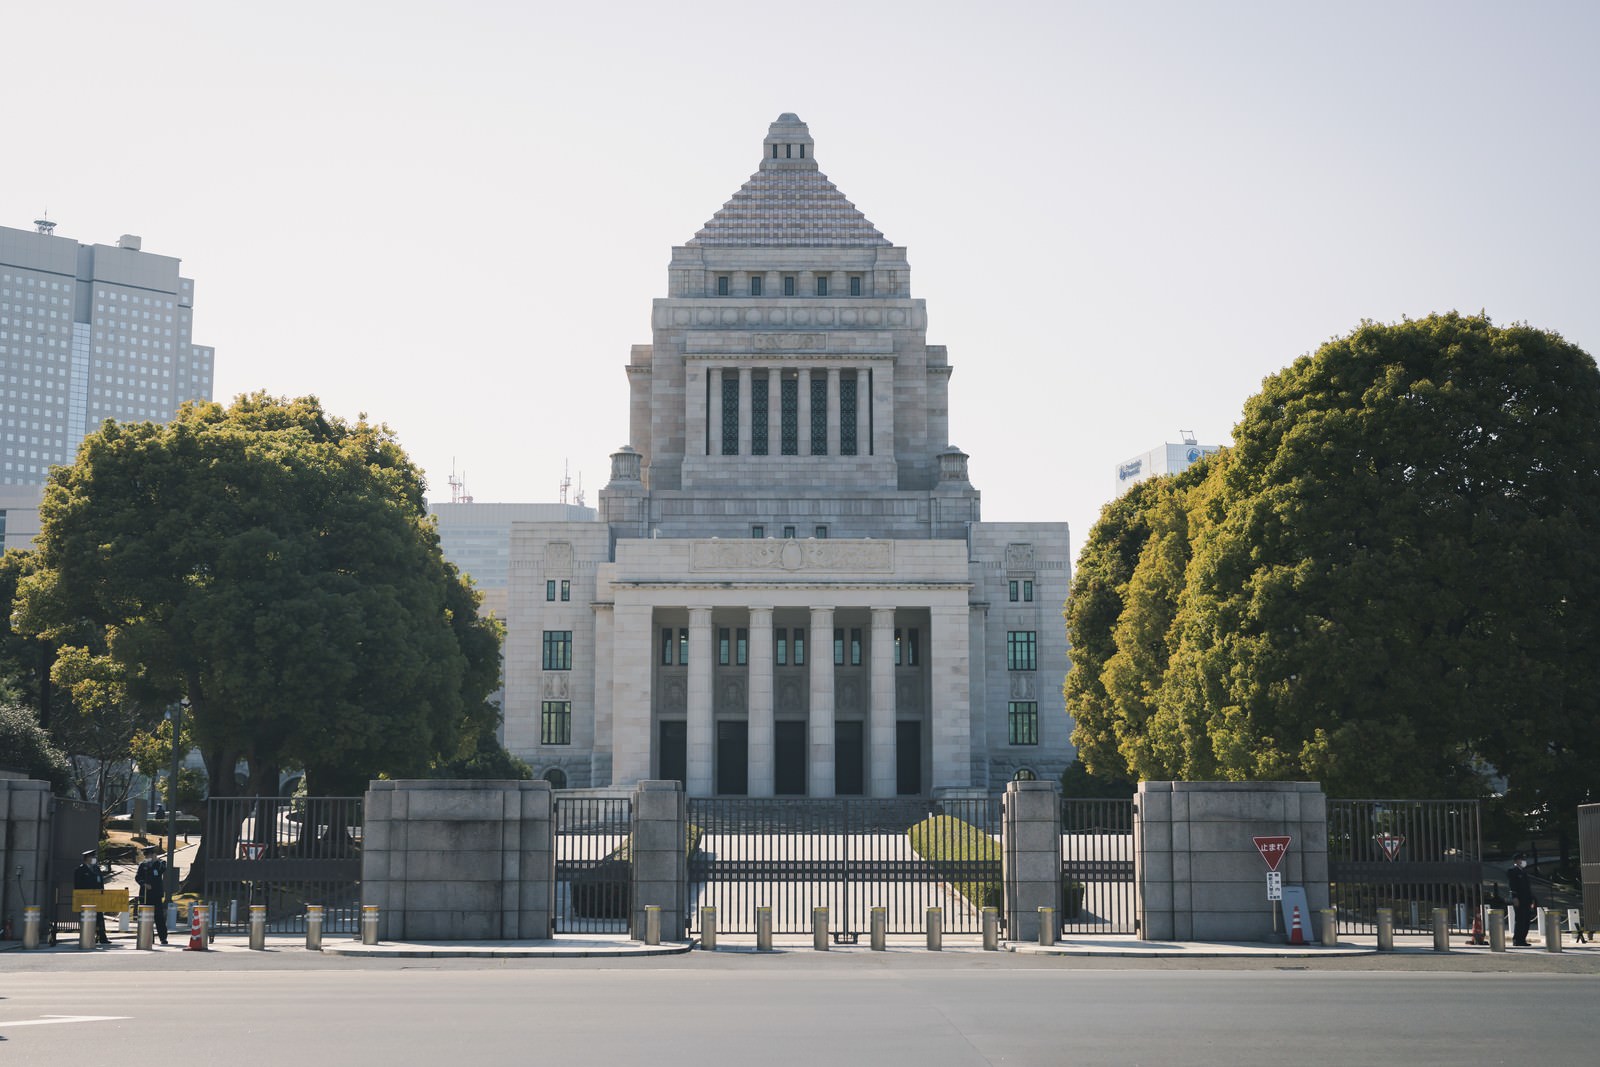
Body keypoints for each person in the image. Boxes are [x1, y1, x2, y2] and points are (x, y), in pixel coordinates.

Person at [73, 848, 111, 945]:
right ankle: (87, 936)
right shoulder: (80, 870)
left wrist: (102, 893)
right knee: (87, 918)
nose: (94, 859)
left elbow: (101, 882)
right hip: (86, 899)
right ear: (87, 858)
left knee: (99, 917)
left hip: (97, 898)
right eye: (93, 857)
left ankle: (102, 937)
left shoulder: (96, 869)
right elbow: (77, 886)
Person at [135, 844, 170, 945]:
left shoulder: (160, 863)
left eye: (149, 855)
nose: (147, 858)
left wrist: (156, 860)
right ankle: (149, 937)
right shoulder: (143, 865)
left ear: (154, 855)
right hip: (145, 895)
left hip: (156, 895)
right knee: (146, 917)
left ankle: (163, 937)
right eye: (146, 856)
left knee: (158, 917)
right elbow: (137, 877)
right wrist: (144, 884)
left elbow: (162, 869)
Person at [1507, 852, 1538, 946]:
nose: (1524, 861)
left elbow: (1527, 887)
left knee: (1526, 920)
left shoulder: (1524, 872)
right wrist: (1514, 897)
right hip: (1519, 899)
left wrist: (1532, 899)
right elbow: (1512, 886)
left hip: (1526, 899)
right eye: (1522, 859)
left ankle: (1523, 939)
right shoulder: (1512, 871)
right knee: (1520, 920)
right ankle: (1517, 939)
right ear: (1517, 860)